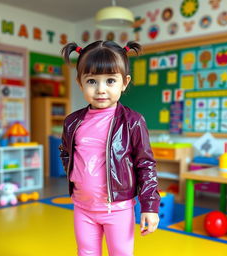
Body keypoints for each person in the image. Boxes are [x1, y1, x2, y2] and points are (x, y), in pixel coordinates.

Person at [59, 40, 160, 256]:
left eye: (110, 80)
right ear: (80, 83)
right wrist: (77, 176)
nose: (101, 89)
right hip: (83, 207)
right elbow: (66, 152)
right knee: (85, 252)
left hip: (118, 209)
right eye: (92, 81)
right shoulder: (72, 122)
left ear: (124, 82)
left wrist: (150, 206)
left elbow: (145, 165)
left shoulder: (133, 121)